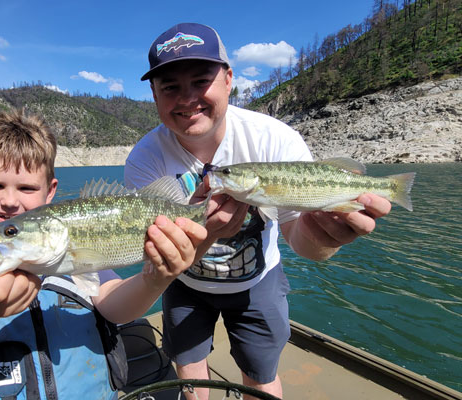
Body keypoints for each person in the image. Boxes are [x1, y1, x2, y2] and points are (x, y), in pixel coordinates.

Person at [124, 23, 392, 399]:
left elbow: (305, 243)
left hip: (257, 283)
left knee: (262, 377)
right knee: (189, 373)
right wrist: (211, 232)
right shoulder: (144, 158)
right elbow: (155, 255)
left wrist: (321, 235)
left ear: (229, 79)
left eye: (201, 81)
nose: (187, 98)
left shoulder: (275, 139)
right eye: (169, 87)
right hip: (184, 286)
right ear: (153, 93)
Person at [0, 108, 207, 399]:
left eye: (26, 188)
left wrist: (155, 280)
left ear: (50, 191)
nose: (9, 201)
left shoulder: (71, 247)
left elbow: (112, 307)